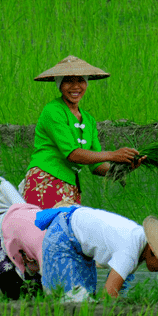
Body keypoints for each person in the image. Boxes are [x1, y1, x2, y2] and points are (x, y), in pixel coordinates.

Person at [23, 55, 145, 209]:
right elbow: (73, 154)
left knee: (64, 231)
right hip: (46, 180)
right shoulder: (53, 110)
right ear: (59, 85)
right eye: (68, 81)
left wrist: (123, 167)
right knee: (45, 230)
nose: (75, 87)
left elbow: (97, 167)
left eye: (80, 80)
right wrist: (114, 155)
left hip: (71, 186)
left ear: (86, 83)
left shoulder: (88, 120)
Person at [34, 205, 158, 298]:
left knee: (87, 298)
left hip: (78, 241)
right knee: (72, 300)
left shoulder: (139, 242)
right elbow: (108, 296)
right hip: (63, 238)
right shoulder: (130, 251)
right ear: (153, 251)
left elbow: (116, 290)